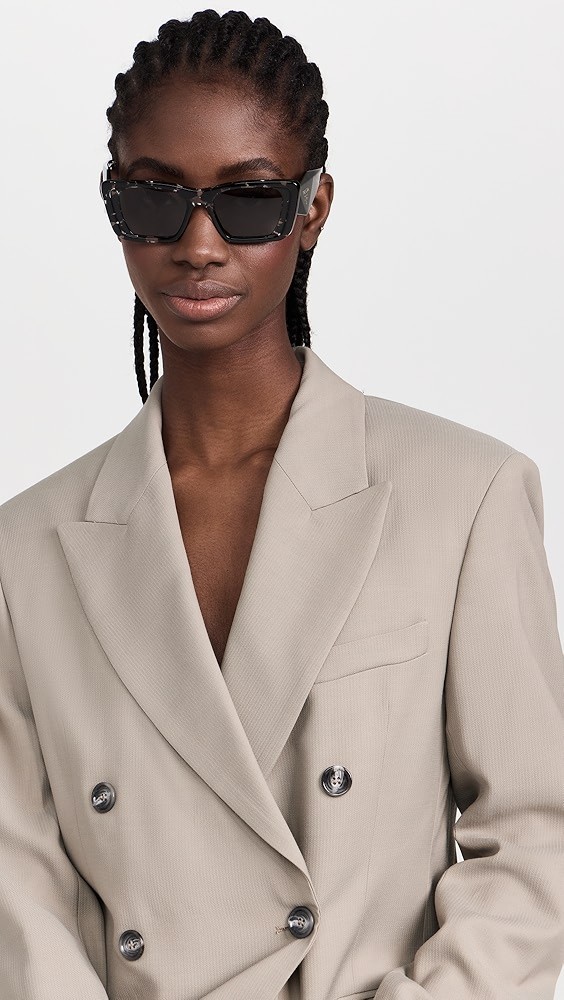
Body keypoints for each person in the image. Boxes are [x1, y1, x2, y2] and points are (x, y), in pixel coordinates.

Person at [0, 9, 563, 1000]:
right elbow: (14, 881)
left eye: (250, 199)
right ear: (113, 203)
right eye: (155, 199)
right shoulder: (24, 549)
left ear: (314, 207)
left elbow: (537, 838)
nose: (198, 244)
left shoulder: (465, 495)